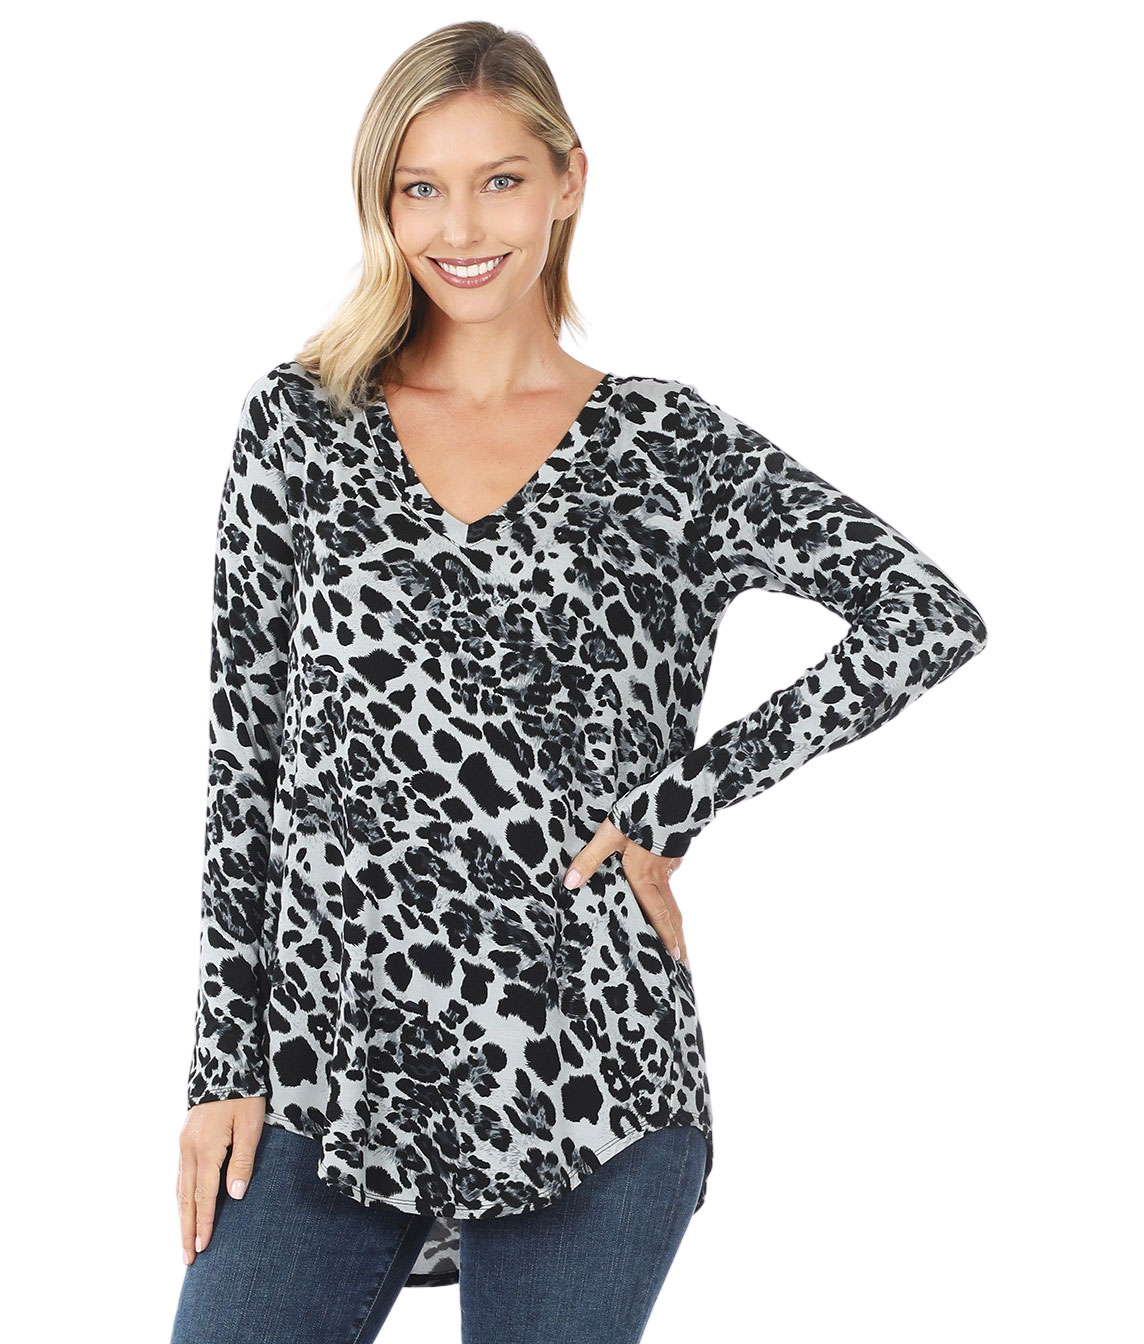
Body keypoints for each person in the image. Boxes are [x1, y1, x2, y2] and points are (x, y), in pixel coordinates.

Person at [169, 20, 989, 1344]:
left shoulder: (668, 447)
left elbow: (925, 616)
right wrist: (222, 1068)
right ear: (382, 204)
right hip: (328, 1067)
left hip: (590, 1065)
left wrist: (677, 807)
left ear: (569, 181)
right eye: (421, 188)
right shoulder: (303, 423)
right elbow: (242, 757)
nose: (461, 227)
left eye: (500, 180)